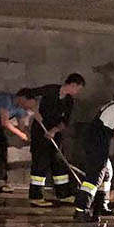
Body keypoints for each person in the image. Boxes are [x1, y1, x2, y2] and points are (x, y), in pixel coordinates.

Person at [73, 87, 114, 222]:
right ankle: (81, 211)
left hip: (94, 143)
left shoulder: (108, 107)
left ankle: (101, 206)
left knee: (107, 172)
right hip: (97, 145)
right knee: (94, 177)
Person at [28, 73, 86, 207]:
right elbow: (29, 95)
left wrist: (54, 131)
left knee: (58, 162)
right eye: (77, 89)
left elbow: (65, 122)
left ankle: (63, 194)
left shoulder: (69, 100)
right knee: (40, 163)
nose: (77, 92)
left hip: (55, 134)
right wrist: (34, 111)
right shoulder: (50, 90)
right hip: (40, 132)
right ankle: (35, 197)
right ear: (72, 85)